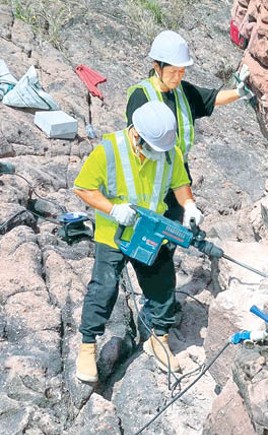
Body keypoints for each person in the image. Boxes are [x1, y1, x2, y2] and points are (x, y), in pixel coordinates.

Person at [74, 100, 204, 383]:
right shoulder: (108, 151)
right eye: (153, 148)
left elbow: (179, 183)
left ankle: (159, 338)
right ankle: (87, 345)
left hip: (150, 230)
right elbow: (83, 187)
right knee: (104, 287)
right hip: (114, 233)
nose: (159, 153)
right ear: (137, 135)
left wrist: (190, 205)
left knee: (162, 284)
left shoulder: (169, 151)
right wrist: (111, 209)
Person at [126, 29, 254, 223]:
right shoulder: (141, 95)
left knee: (171, 236)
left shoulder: (183, 92)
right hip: (150, 177)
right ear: (157, 67)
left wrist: (238, 92)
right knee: (146, 236)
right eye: (172, 72)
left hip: (177, 176)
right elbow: (133, 141)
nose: (177, 77)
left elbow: (212, 99)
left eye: (181, 72)